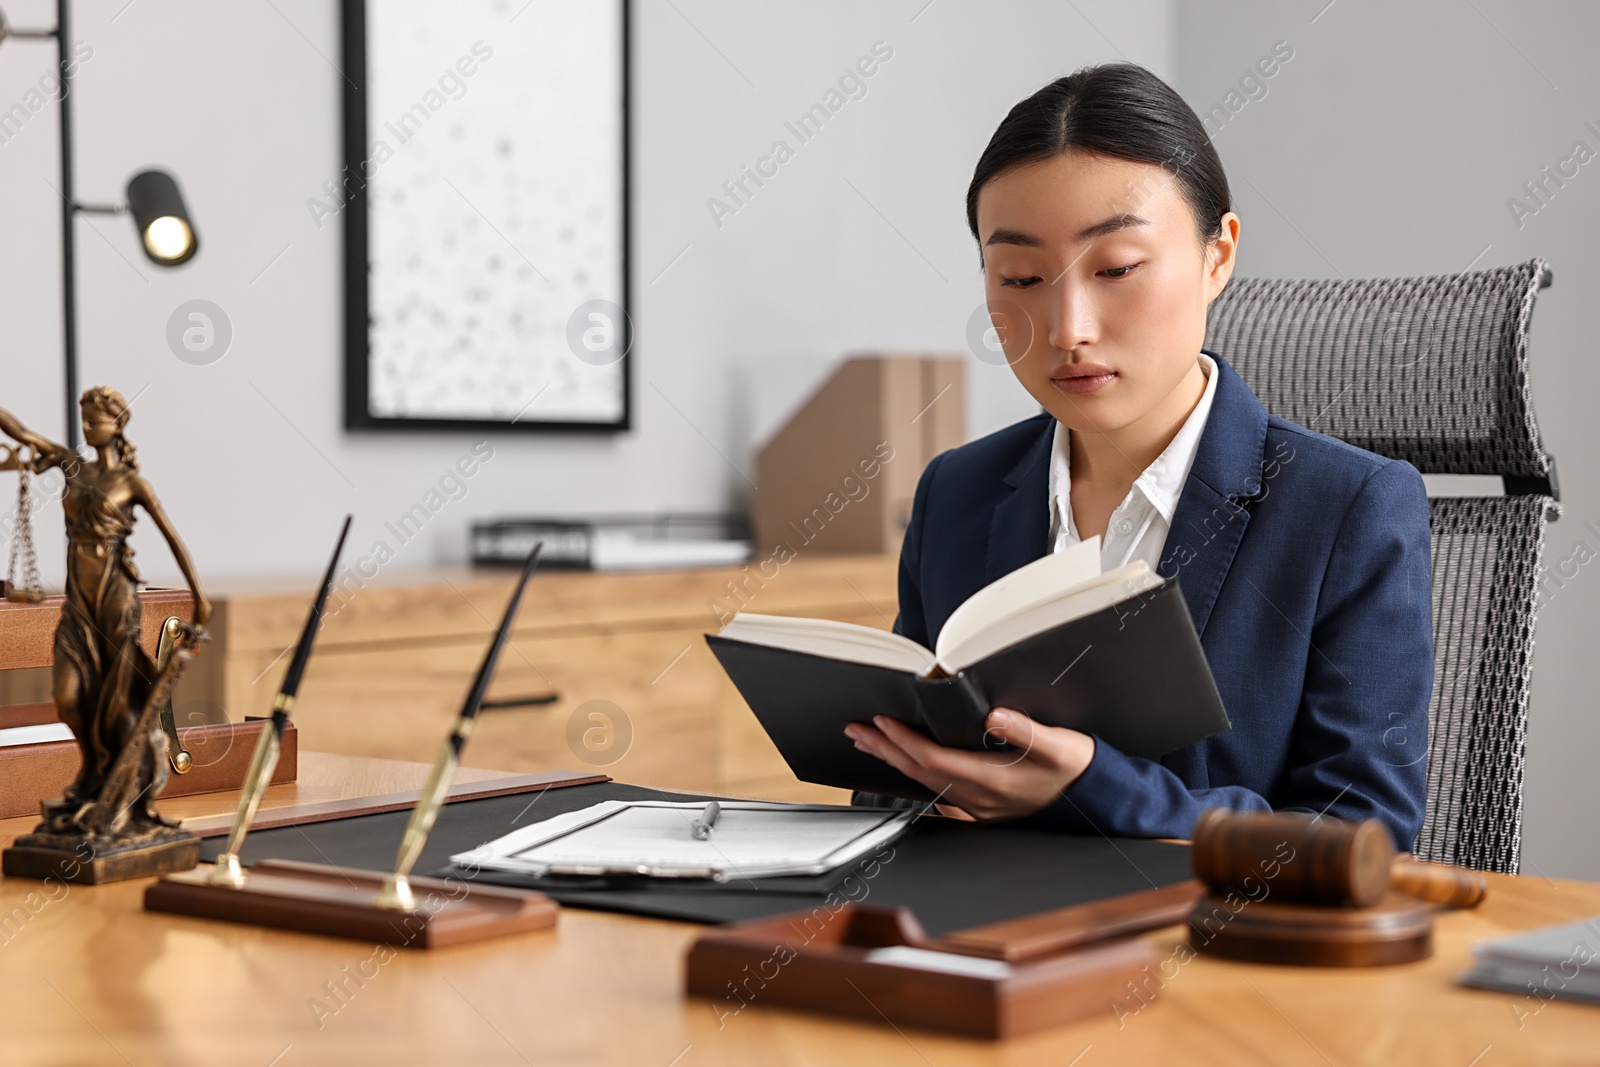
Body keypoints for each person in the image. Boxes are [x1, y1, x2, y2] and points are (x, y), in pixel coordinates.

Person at [844, 62, 1433, 851]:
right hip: (977, 945)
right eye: (1018, 276)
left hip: (1214, 954)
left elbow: (1365, 834)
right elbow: (893, 788)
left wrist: (1096, 787)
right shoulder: (958, 490)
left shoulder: (1348, 507)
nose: (1066, 327)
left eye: (1116, 268)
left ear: (1218, 255)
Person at [0, 387, 211, 831]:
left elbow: (172, 539)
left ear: (117, 425)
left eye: (95, 419)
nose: (87, 427)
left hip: (115, 597)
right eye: (84, 420)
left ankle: (120, 790)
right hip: (79, 601)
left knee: (116, 704)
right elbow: (21, 432)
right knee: (68, 696)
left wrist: (199, 596)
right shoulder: (73, 467)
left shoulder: (133, 484)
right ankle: (93, 773)